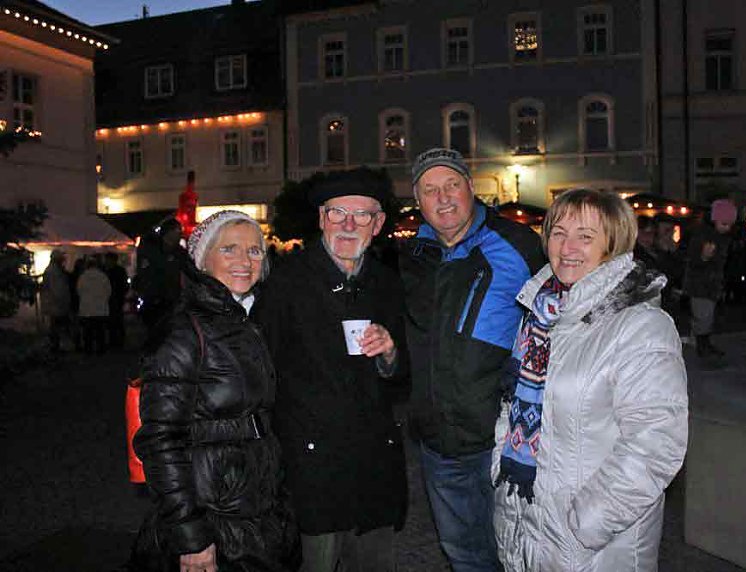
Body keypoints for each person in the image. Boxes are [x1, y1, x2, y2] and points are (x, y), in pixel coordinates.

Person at [493, 189, 688, 571]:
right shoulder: (541, 314)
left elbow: (656, 442)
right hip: (527, 523)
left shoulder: (640, 325)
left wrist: (586, 523)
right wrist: (500, 470)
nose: (567, 248)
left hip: (595, 545)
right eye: (558, 233)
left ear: (612, 245)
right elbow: (512, 405)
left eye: (585, 236)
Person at [130, 210, 300, 572]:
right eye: (229, 249)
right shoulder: (184, 331)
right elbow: (160, 440)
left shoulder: (246, 320)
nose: (244, 261)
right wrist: (190, 536)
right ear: (202, 259)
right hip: (212, 519)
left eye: (254, 251)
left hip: (252, 511)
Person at [400, 148, 544, 571]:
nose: (443, 198)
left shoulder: (518, 244)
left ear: (470, 187)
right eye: (430, 190)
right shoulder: (413, 257)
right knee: (464, 554)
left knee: (523, 553)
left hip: (504, 438)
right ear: (418, 201)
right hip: (441, 443)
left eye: (451, 185)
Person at [255, 170, 408, 572]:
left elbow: (402, 378)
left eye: (362, 216)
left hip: (374, 465)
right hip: (312, 466)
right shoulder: (285, 282)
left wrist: (390, 354)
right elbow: (260, 372)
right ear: (322, 218)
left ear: (377, 224)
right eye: (338, 213)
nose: (348, 225)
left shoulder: (387, 283)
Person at [683, 199, 737, 357]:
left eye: (729, 225)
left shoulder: (719, 237)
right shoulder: (703, 236)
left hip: (710, 284)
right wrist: (704, 258)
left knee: (707, 316)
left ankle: (703, 343)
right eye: (724, 224)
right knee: (703, 316)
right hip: (701, 284)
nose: (727, 228)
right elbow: (692, 260)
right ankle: (702, 345)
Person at [133, 217, 185, 349]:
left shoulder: (179, 253)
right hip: (155, 300)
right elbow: (147, 274)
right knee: (156, 335)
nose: (179, 236)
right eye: (176, 233)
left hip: (172, 300)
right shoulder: (151, 250)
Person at [77, 257, 111, 355]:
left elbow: (79, 291)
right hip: (100, 309)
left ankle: (88, 350)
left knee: (88, 332)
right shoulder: (103, 276)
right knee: (100, 331)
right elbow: (108, 291)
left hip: (86, 309)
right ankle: (101, 350)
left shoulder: (82, 277)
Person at [40, 249, 71, 353]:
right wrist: (64, 302)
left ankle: (55, 347)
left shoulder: (52, 270)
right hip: (56, 305)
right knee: (57, 327)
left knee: (55, 327)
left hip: (54, 304)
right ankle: (56, 347)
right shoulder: (54, 272)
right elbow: (58, 290)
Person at [104, 251, 130, 348]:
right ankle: (117, 340)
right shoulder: (119, 271)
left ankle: (116, 341)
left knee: (115, 320)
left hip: (114, 298)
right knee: (116, 321)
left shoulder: (110, 271)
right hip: (116, 298)